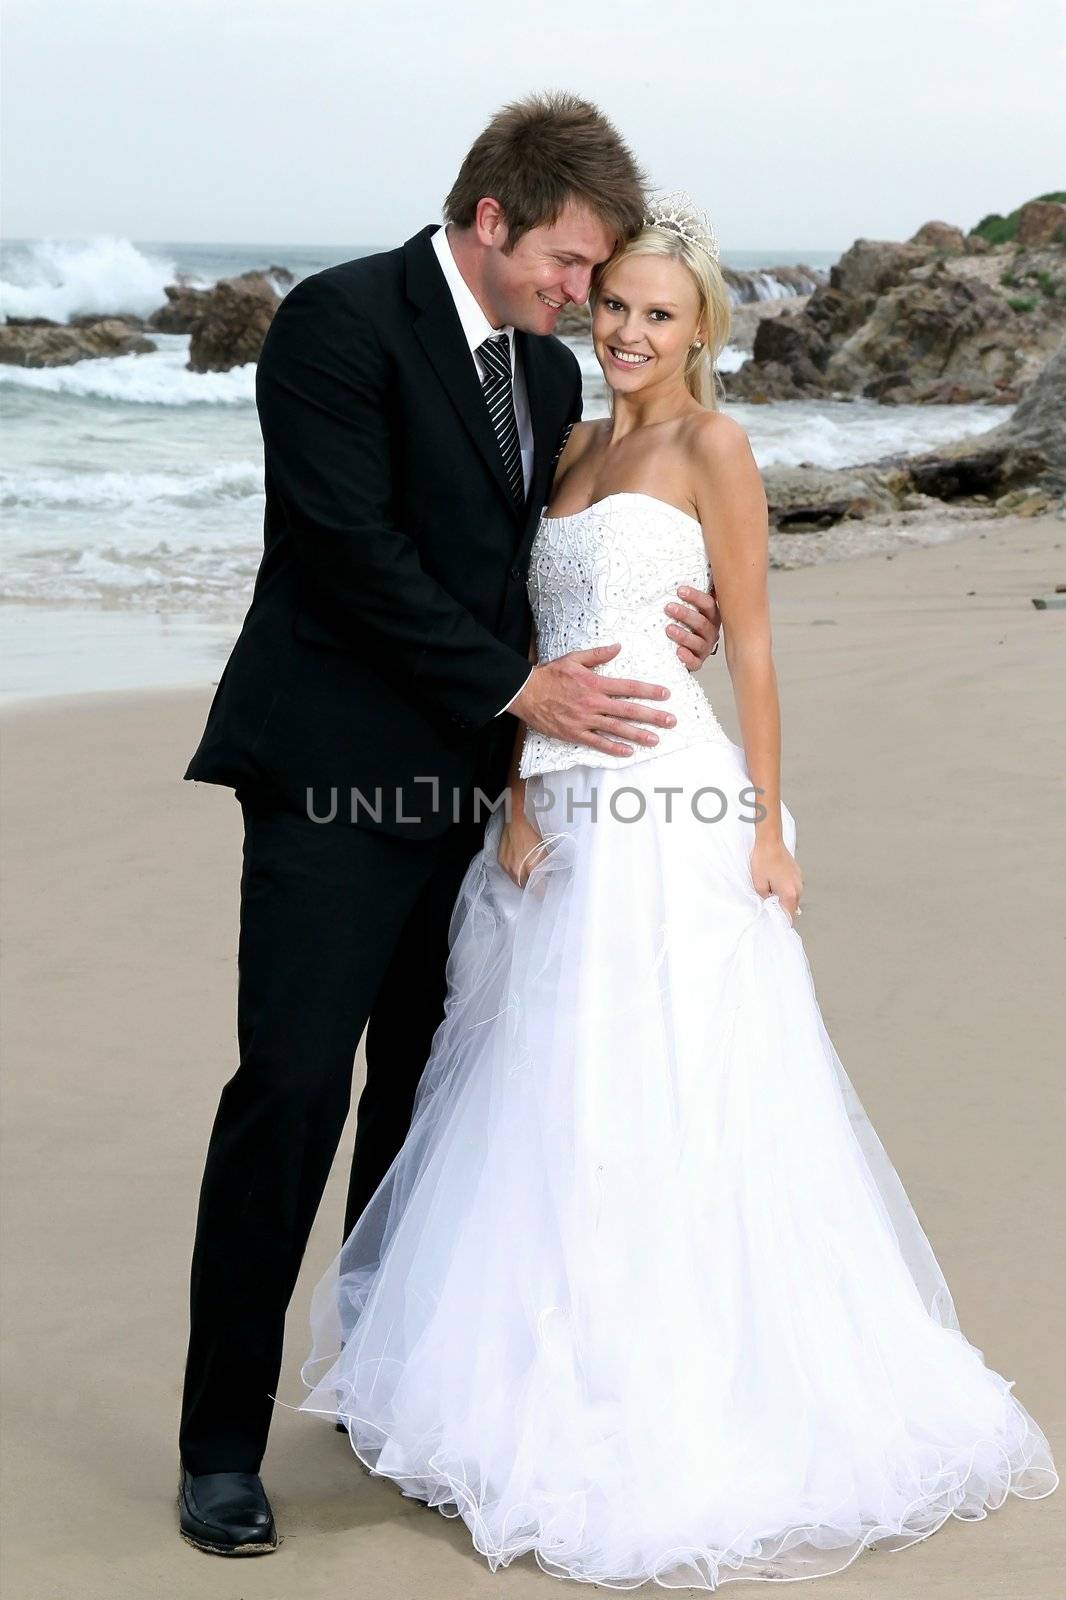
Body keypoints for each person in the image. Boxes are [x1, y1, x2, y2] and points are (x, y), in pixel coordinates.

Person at [288, 194, 1059, 1588]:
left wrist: (763, 824)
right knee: (541, 1077)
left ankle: (672, 1387)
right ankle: (534, 1368)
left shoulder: (714, 443)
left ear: (702, 330)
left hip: (672, 799)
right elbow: (521, 633)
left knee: (665, 1071)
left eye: (659, 313)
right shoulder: (566, 443)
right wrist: (518, 795)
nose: (628, 330)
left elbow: (749, 642)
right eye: (613, 305)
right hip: (554, 800)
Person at [176, 97, 722, 1556]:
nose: (577, 297)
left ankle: (381, 1387)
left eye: (592, 276)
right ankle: (221, 1446)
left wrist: (674, 615)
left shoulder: (544, 385)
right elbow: (345, 547)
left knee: (427, 1099)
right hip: (331, 782)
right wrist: (517, 688)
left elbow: (541, 568)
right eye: (563, 263)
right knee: (291, 1092)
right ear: (491, 221)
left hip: (481, 795)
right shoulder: (334, 325)